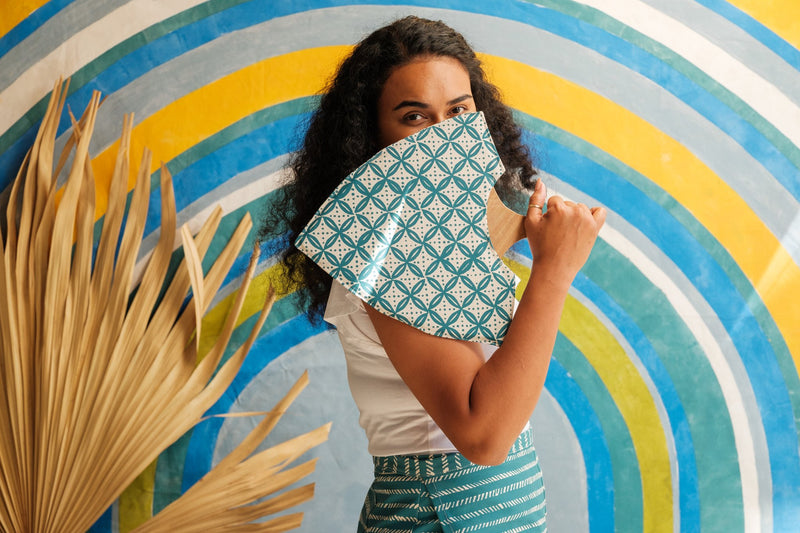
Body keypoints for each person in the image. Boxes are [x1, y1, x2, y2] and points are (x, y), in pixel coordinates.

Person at [263, 15, 605, 532]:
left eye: (459, 111)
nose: (446, 136)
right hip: (441, 513)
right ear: (370, 136)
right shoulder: (385, 254)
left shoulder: (437, 241)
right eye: (415, 117)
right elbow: (484, 436)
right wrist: (553, 273)